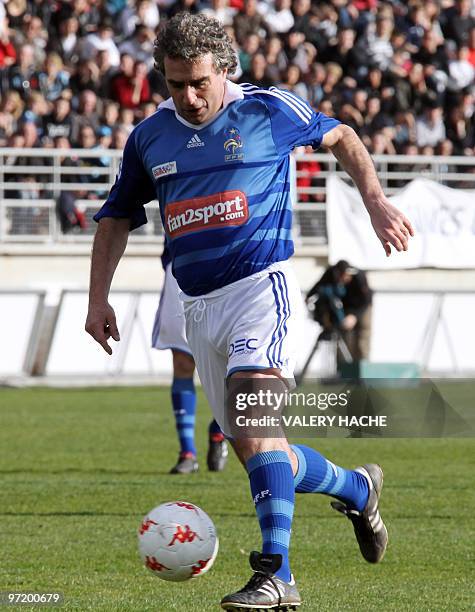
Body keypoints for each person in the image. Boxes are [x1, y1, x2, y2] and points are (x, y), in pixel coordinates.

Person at [85, 13, 414, 610]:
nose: (186, 96)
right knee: (259, 449)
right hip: (197, 304)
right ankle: (356, 487)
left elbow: (340, 135)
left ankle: (277, 576)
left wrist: (374, 201)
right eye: (174, 83)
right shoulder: (149, 137)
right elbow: (115, 216)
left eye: (198, 83)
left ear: (225, 70)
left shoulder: (267, 109)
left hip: (260, 288)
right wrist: (96, 297)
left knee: (258, 426)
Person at [151, 243, 228, 474]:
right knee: (183, 362)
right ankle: (187, 453)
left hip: (230, 268)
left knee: (235, 368)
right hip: (181, 264)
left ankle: (219, 428)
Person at [306, 260, 373, 373]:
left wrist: (355, 316)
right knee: (344, 337)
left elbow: (365, 300)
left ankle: (362, 373)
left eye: (345, 277)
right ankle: (343, 371)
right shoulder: (331, 273)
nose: (343, 280)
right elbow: (318, 286)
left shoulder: (358, 276)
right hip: (344, 307)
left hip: (362, 307)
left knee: (362, 338)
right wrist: (308, 298)